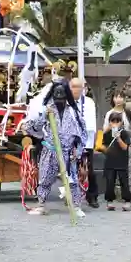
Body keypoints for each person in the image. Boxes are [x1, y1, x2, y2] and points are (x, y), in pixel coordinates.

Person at [22, 80, 88, 218]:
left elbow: (82, 133)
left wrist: (79, 149)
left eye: (62, 95)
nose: (59, 98)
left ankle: (75, 206)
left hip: (68, 152)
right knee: (45, 178)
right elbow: (32, 127)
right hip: (50, 150)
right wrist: (44, 116)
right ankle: (41, 205)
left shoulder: (73, 111)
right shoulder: (46, 110)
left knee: (72, 181)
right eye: (56, 95)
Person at [70, 78, 99, 208]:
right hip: (70, 141)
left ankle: (92, 196)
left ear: (83, 88)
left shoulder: (88, 102)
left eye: (78, 87)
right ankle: (72, 196)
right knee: (71, 170)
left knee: (88, 170)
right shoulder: (66, 103)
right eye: (73, 87)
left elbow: (90, 125)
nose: (75, 89)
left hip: (85, 141)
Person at [102, 111, 131, 211]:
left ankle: (127, 201)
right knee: (110, 182)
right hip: (110, 161)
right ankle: (109, 201)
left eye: (118, 121)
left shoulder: (125, 133)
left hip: (122, 162)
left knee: (124, 182)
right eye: (113, 121)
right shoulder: (106, 133)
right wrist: (105, 131)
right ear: (109, 122)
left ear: (122, 122)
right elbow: (101, 145)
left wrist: (118, 138)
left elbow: (125, 147)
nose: (115, 123)